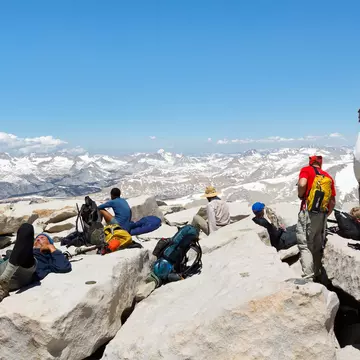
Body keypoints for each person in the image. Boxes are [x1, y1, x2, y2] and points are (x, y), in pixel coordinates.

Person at [0, 224, 72, 302]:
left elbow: (63, 267)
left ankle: (4, 282)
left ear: (50, 242)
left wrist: (51, 248)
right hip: (6, 265)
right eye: (37, 238)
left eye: (42, 238)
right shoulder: (25, 249)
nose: (38, 239)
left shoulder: (49, 258)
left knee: (27, 227)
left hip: (23, 271)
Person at [296, 155, 336, 280]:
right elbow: (333, 201)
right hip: (322, 214)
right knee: (317, 245)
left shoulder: (306, 170)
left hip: (308, 212)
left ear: (310, 162)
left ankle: (308, 278)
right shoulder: (327, 176)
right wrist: (325, 215)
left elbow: (302, 183)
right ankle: (318, 273)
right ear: (321, 163)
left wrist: (300, 195)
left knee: (305, 245)